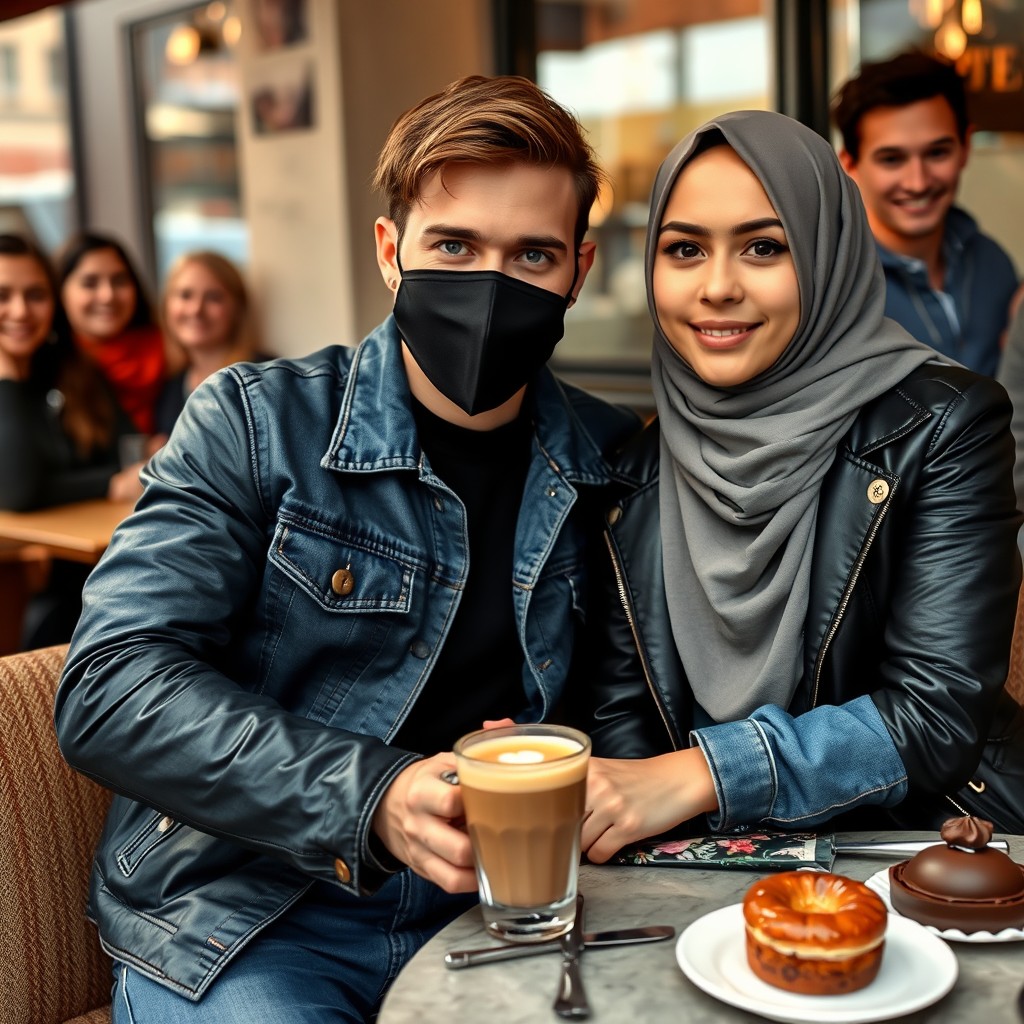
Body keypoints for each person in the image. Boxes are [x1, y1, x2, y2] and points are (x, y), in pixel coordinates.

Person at [54, 75, 638, 1021]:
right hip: (250, 913)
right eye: (454, 245)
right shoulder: (253, 423)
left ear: (579, 268)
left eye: (530, 254)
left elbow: (635, 708)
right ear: (390, 253)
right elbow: (111, 685)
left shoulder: (611, 460)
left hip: (503, 907)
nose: (489, 285)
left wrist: (557, 745)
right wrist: (377, 793)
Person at [573, 109, 1024, 869]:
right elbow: (627, 723)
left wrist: (707, 774)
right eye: (684, 249)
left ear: (826, 256)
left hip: (927, 848)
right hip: (709, 871)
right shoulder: (634, 471)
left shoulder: (944, 423)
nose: (717, 287)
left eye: (763, 247)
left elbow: (935, 713)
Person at [832, 50, 1017, 377]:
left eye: (936, 153)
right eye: (892, 159)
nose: (917, 183)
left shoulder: (994, 263)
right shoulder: (835, 288)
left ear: (965, 148)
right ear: (850, 164)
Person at [0, 233, 144, 646]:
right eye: (3, 295)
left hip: (99, 579)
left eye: (35, 294)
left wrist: (114, 478)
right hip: (27, 596)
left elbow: (125, 453)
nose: (20, 310)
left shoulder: (73, 371)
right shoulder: (9, 385)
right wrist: (7, 371)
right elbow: (18, 488)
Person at [58, 231, 173, 436]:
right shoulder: (47, 367)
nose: (108, 295)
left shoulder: (174, 353)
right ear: (60, 291)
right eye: (90, 283)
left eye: (119, 280)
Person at [154, 250, 269, 438]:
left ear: (238, 308)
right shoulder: (169, 387)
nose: (196, 309)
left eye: (213, 297)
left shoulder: (265, 377)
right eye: (185, 295)